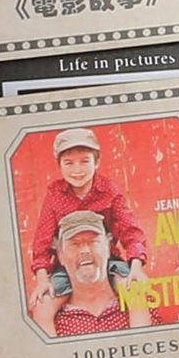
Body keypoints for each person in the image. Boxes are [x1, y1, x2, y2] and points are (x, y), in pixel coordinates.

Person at [28, 130, 150, 292]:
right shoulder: (54, 195)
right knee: (45, 301)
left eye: (85, 161)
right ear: (59, 165)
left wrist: (136, 267)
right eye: (69, 163)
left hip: (107, 262)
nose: (77, 170)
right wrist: (42, 280)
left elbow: (132, 232)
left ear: (96, 162)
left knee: (135, 290)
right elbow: (42, 242)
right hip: (67, 269)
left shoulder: (109, 191)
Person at [29, 213, 153, 337]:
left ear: (108, 248)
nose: (85, 251)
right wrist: (42, 279)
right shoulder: (50, 316)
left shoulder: (141, 303)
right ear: (60, 256)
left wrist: (136, 266)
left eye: (93, 242)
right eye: (74, 244)